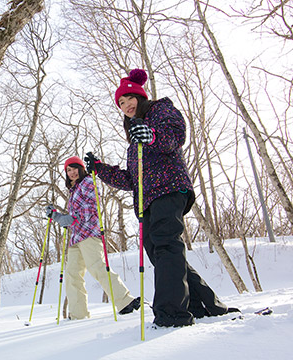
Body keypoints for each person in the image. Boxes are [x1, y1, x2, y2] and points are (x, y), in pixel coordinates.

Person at [84, 69, 239, 327]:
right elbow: (131, 179)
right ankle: (205, 305)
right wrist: (99, 168)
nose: (126, 106)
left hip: (169, 188)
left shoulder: (160, 110)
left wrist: (151, 135)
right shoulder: (134, 137)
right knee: (161, 254)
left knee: (167, 247)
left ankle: (171, 315)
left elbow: (176, 136)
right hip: (148, 200)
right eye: (121, 103)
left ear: (140, 96)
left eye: (129, 99)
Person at [46, 156, 140, 320]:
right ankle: (78, 314)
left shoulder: (88, 182)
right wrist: (56, 216)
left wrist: (71, 219)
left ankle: (125, 301)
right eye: (68, 170)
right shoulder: (73, 190)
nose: (72, 172)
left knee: (98, 267)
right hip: (75, 239)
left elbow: (90, 207)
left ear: (81, 169)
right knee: (72, 276)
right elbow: (71, 217)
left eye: (74, 168)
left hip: (89, 234)